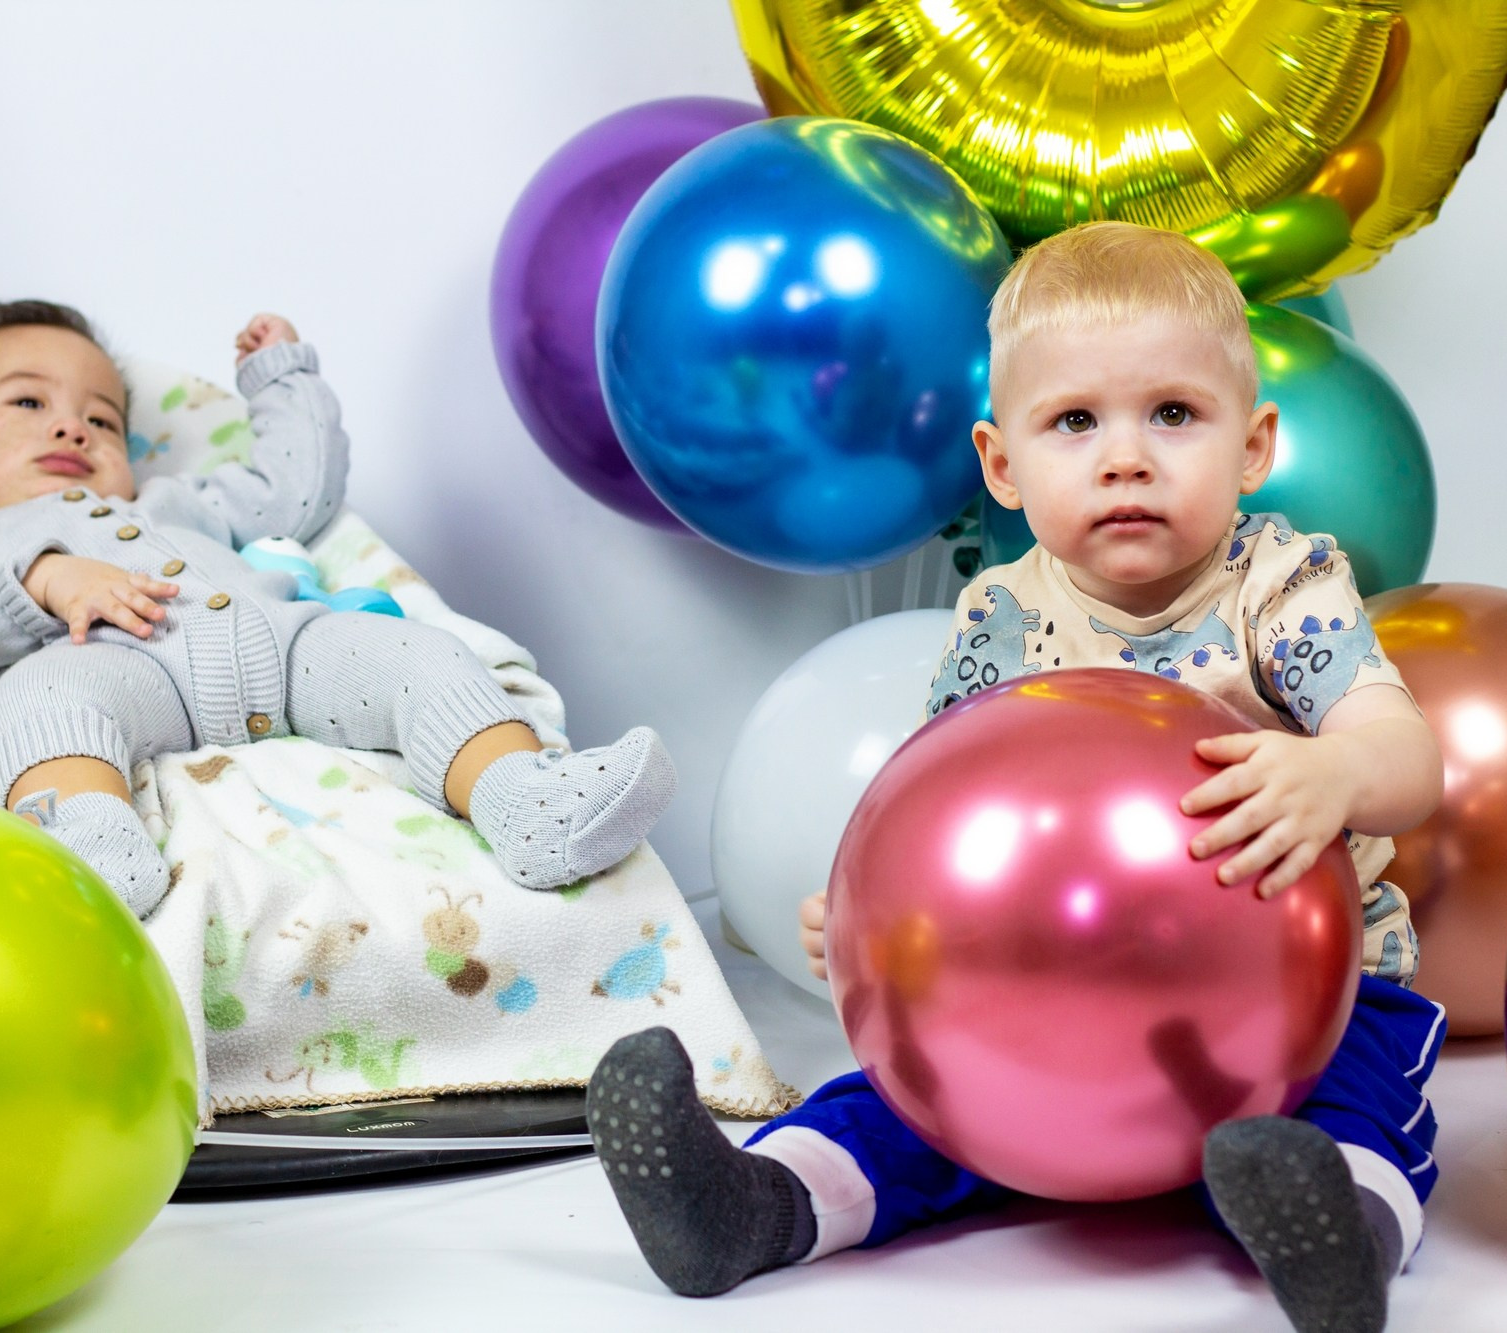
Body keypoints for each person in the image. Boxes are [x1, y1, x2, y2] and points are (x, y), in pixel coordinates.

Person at [586, 223, 1445, 1333]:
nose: (1124, 456)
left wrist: (1333, 772)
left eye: (1173, 415)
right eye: (1073, 422)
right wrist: (866, 919)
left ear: (1251, 446)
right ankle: (753, 1203)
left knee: (1362, 1100)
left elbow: (1405, 755)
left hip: (1302, 1002)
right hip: (1049, 1007)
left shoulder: (1279, 592)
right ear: (1001, 462)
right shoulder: (1001, 617)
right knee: (907, 1101)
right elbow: (931, 816)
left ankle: (1337, 1241)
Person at [0, 299, 674, 916]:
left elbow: (295, 492)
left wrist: (282, 378)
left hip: (282, 649)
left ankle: (522, 797)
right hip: (111, 666)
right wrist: (50, 576)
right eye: (26, 404)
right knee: (37, 699)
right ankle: (86, 846)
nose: (69, 425)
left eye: (102, 419)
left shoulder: (176, 502)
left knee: (418, 656)